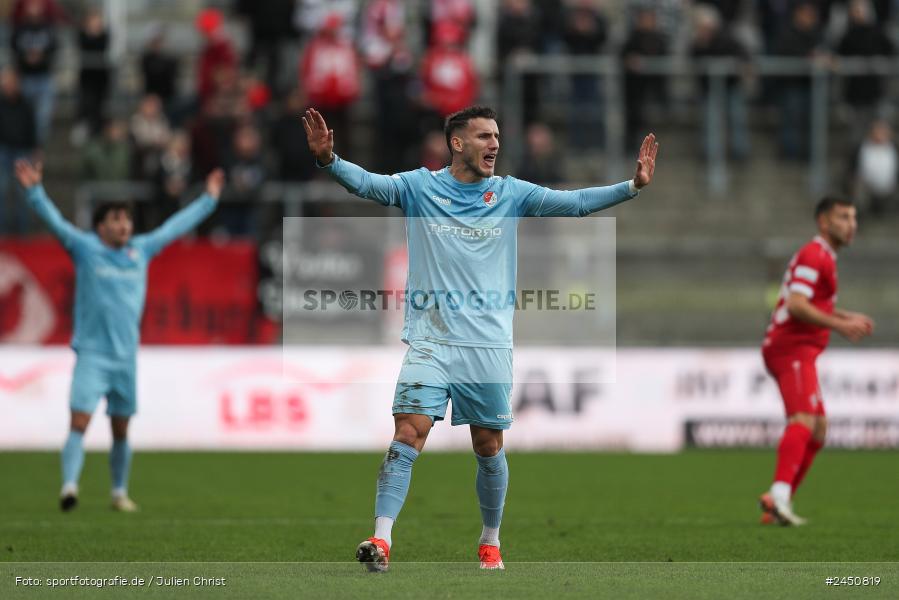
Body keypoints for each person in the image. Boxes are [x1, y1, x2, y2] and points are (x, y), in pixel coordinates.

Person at [302, 105, 658, 570]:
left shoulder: (510, 193)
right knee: (408, 433)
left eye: (496, 136)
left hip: (488, 345)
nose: (494, 144)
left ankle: (490, 538)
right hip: (430, 339)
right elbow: (370, 184)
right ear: (457, 143)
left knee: (488, 445)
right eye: (484, 136)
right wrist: (331, 161)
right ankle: (381, 539)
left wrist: (631, 188)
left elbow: (574, 204)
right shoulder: (420, 187)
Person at [15, 159, 223, 513]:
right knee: (79, 421)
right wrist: (35, 192)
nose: (123, 224)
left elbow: (175, 227)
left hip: (126, 358)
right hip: (92, 356)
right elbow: (55, 222)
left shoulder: (140, 249)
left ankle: (118, 492)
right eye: (115, 219)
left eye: (125, 219)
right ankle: (69, 487)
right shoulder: (84, 248)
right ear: (100, 227)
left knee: (121, 429)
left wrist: (209, 199)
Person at [759, 197, 874, 526]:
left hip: (801, 349)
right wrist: (840, 324)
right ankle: (779, 497)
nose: (852, 223)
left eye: (854, 216)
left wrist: (844, 315)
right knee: (803, 420)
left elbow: (811, 304)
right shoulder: (815, 254)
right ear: (824, 222)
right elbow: (796, 305)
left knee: (819, 430)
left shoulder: (824, 256)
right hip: (790, 347)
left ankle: (778, 502)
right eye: (843, 217)